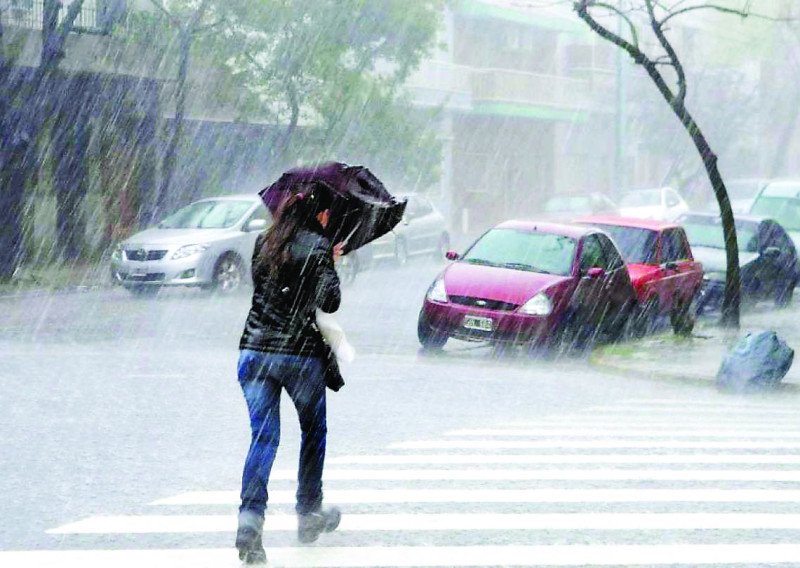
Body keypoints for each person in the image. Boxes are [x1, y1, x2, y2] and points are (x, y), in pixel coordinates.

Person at [235, 181, 343, 564]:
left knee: (263, 439)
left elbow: (265, 289)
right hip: (298, 356)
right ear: (318, 212)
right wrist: (328, 259)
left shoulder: (263, 242)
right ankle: (308, 512)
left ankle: (250, 520)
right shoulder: (317, 246)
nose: (329, 218)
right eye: (328, 212)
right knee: (313, 432)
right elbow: (330, 300)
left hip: (254, 351)